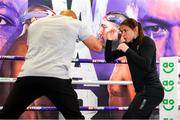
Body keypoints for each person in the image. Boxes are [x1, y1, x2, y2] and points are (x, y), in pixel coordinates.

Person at [0, 9, 103, 119]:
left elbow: (32, 47)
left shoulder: (35, 25)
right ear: (73, 18)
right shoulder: (75, 23)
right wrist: (104, 38)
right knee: (74, 117)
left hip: (29, 76)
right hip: (56, 77)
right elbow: (97, 47)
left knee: (7, 115)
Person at [105, 18, 164, 119]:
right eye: (121, 31)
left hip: (151, 91)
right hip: (142, 91)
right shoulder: (129, 45)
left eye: (125, 31)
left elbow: (146, 64)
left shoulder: (147, 42)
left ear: (135, 30)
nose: (123, 34)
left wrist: (127, 50)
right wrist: (109, 40)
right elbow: (108, 58)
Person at [98, 11, 135, 118]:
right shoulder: (121, 58)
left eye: (104, 27)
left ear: (120, 32)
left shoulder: (128, 63)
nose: (100, 31)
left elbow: (137, 102)